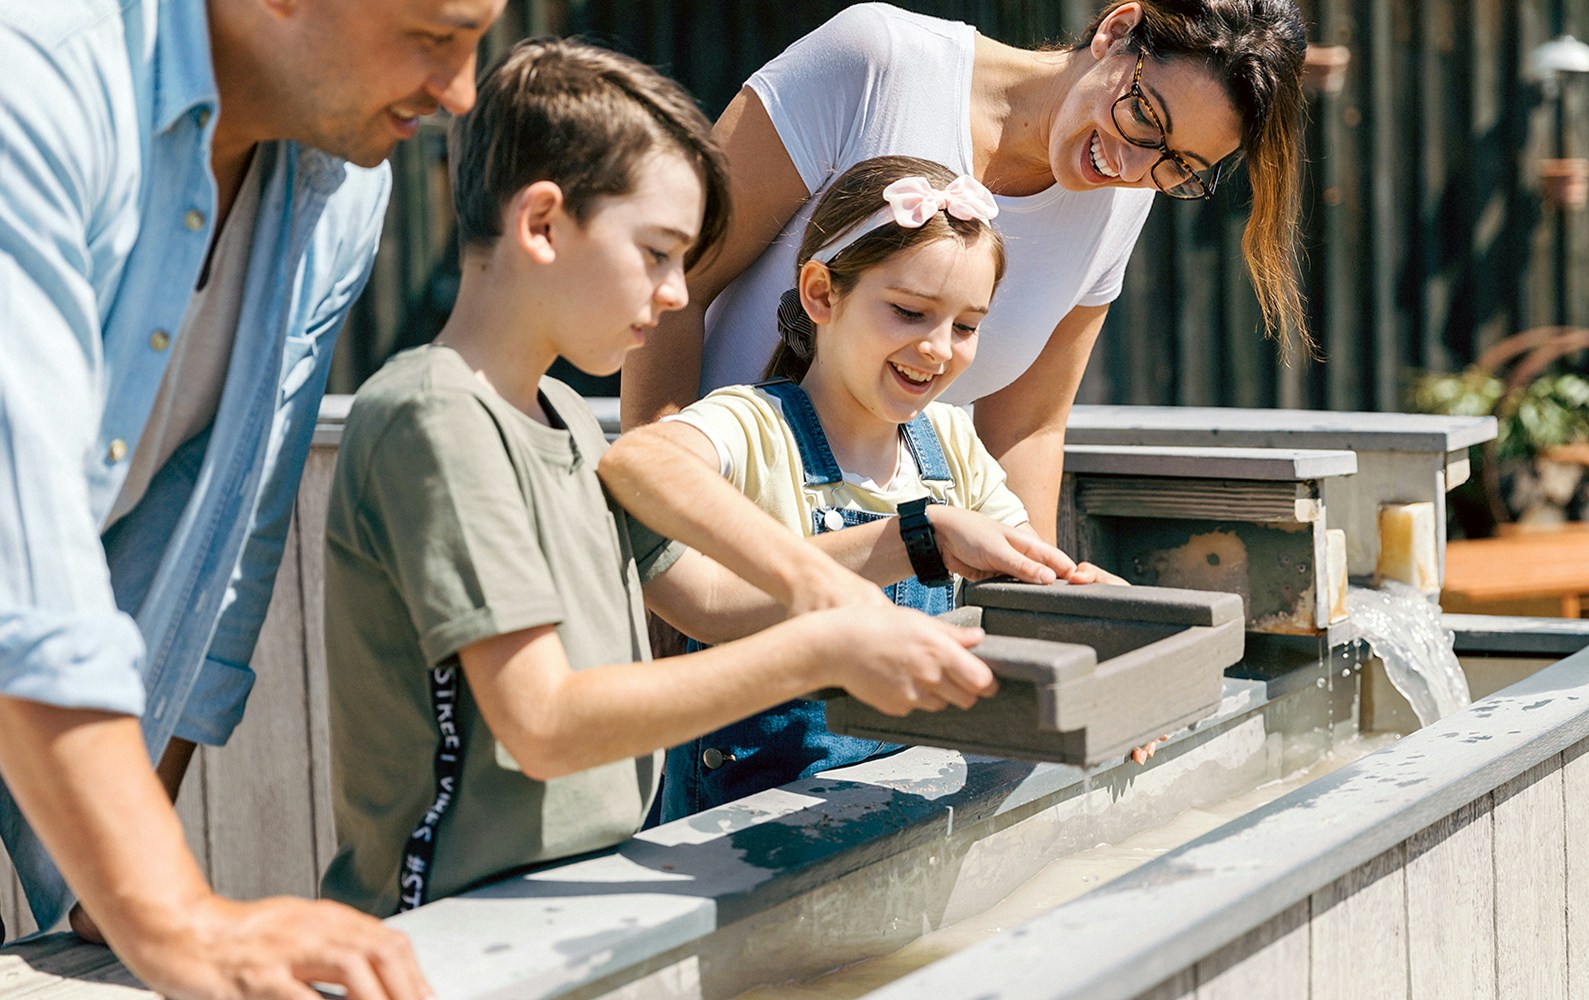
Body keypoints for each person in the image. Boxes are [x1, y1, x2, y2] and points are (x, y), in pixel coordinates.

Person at [318, 39, 1020, 918]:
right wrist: (824, 646)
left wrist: (918, 538)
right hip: (450, 929)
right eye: (656, 253)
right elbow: (543, 723)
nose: (680, 294)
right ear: (541, 225)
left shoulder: (568, 418)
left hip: (577, 901)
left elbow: (710, 604)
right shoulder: (436, 417)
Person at [0, 0, 503, 995]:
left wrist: (130, 870)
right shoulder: (35, 83)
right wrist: (172, 912)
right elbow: (22, 560)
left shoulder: (346, 188)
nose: (462, 93)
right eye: (437, 37)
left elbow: (224, 534)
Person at [621, 0, 1309, 542]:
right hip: (716, 531)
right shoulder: (875, 64)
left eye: (1180, 167)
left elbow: (1026, 430)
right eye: (1143, 116)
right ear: (1118, 30)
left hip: (889, 572)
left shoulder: (1124, 201)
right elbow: (671, 283)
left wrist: (1041, 619)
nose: (1130, 166)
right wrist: (667, 545)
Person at [604, 155, 1124, 821]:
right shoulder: (754, 427)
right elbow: (639, 462)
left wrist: (1107, 647)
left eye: (966, 326)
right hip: (741, 839)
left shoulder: (952, 443)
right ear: (821, 294)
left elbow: (1028, 584)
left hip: (904, 814)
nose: (939, 348)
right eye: (911, 312)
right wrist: (912, 538)